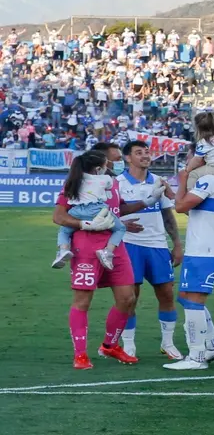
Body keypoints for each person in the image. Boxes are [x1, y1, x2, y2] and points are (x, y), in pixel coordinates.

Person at [53, 150, 142, 369]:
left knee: (127, 298)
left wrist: (129, 217)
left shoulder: (111, 184)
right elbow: (59, 216)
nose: (114, 164)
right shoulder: (74, 184)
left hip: (114, 246)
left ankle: (110, 346)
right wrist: (84, 225)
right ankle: (80, 355)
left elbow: (116, 209)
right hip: (86, 246)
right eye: (111, 160)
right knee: (83, 301)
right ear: (99, 166)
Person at [164, 160, 214, 370]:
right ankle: (212, 345)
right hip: (203, 248)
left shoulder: (208, 180)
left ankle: (196, 357)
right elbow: (192, 210)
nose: (188, 162)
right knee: (185, 297)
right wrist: (173, 192)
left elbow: (180, 207)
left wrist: (182, 180)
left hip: (206, 249)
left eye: (191, 158)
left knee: (194, 299)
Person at [116, 140, 183, 361]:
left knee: (166, 294)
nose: (145, 156)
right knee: (130, 298)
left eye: (147, 152)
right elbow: (111, 212)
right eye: (139, 153)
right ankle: (128, 345)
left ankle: (168, 343)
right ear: (128, 158)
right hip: (128, 245)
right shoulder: (117, 183)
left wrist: (177, 243)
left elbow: (167, 216)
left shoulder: (159, 182)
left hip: (157, 245)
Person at [53, 153, 128, 271]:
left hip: (77, 210)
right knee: (120, 228)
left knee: (64, 231)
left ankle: (63, 250)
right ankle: (107, 252)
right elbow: (109, 186)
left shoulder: (75, 179)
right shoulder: (105, 179)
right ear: (98, 169)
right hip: (97, 209)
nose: (107, 168)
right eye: (105, 166)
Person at [178, 111, 214, 192]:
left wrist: (187, 170)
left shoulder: (205, 141)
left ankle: (191, 196)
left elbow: (197, 160)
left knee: (193, 174)